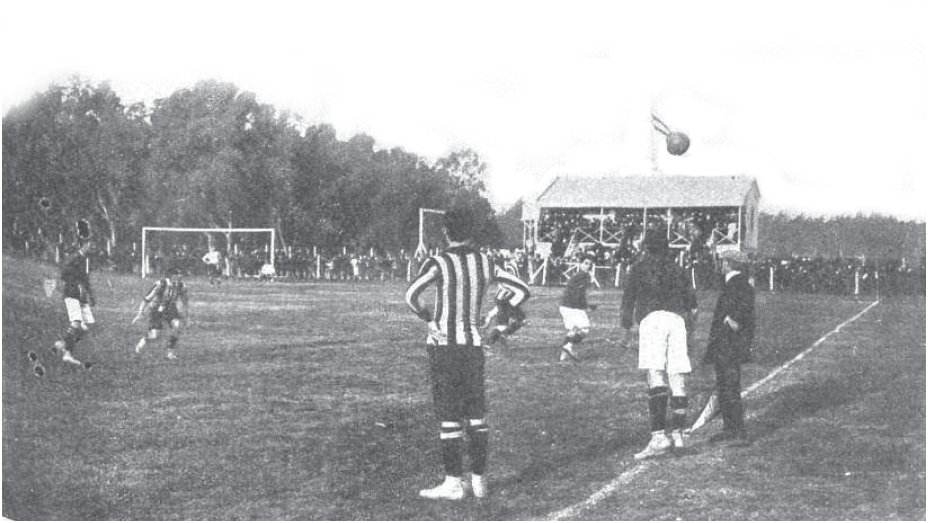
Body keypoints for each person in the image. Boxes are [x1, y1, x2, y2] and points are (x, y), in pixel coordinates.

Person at [405, 206, 530, 501]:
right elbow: (522, 290)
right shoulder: (485, 261)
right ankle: (479, 480)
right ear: (471, 232)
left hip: (444, 345)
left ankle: (453, 483)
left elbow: (411, 296)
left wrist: (428, 319)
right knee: (476, 414)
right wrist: (498, 306)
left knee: (449, 414)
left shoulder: (439, 261)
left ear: (446, 232)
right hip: (473, 345)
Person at [621, 234, 698, 459]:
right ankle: (678, 435)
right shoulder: (679, 269)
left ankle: (658, 437)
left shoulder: (638, 268)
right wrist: (690, 332)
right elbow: (693, 305)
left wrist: (625, 332)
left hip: (652, 321)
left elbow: (628, 300)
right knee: (677, 377)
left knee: (656, 376)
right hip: (677, 321)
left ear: (647, 248)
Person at [703, 249, 755, 446]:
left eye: (723, 261)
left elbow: (742, 308)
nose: (720, 264)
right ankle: (730, 428)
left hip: (729, 343)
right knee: (726, 385)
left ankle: (736, 430)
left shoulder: (737, 283)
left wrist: (732, 321)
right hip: (729, 343)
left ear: (730, 264)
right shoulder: (736, 282)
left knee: (729, 386)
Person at [52, 240, 96, 366]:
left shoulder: (85, 259)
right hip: (72, 294)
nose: (92, 247)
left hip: (81, 297)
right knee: (76, 323)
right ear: (83, 245)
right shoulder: (75, 258)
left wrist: (91, 295)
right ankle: (67, 354)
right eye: (90, 244)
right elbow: (63, 273)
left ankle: (63, 343)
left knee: (86, 326)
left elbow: (85, 279)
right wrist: (76, 284)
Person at [131, 266, 190, 360]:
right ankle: (142, 342)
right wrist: (140, 313)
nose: (179, 278)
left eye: (180, 276)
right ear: (171, 276)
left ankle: (170, 352)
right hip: (156, 311)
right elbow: (146, 299)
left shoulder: (181, 286)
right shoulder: (161, 284)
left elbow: (185, 301)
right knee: (155, 336)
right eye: (177, 276)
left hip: (170, 309)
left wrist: (186, 316)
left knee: (178, 325)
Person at [557, 253, 599, 362]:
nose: (588, 266)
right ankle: (568, 347)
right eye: (585, 263)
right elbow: (577, 294)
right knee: (584, 330)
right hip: (572, 307)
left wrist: (587, 305)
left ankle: (563, 355)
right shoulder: (582, 276)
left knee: (573, 330)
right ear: (580, 264)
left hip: (566, 306)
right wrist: (586, 306)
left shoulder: (579, 276)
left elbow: (578, 293)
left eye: (590, 264)